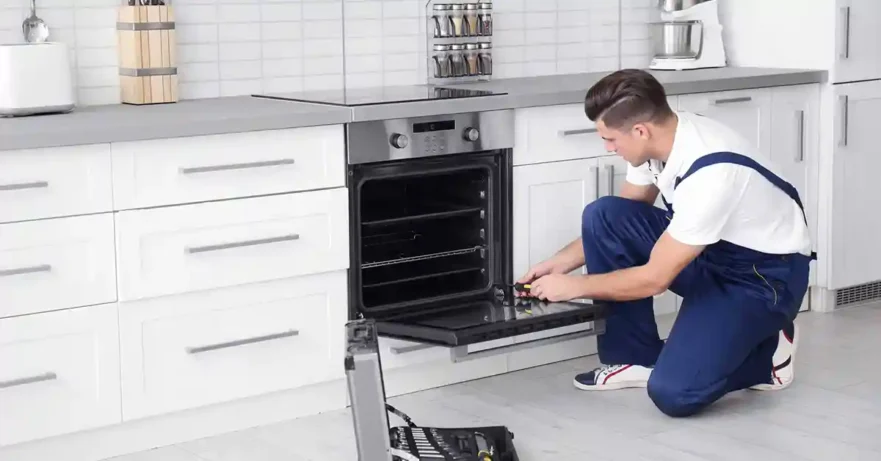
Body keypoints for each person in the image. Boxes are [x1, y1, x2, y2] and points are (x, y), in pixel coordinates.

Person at [517, 69, 814, 417]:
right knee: (606, 214)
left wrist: (572, 287)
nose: (608, 148)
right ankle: (634, 359)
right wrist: (561, 262)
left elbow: (654, 279)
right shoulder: (664, 140)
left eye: (611, 139)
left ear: (641, 130)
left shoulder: (711, 174)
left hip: (761, 279)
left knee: (675, 392)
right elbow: (628, 213)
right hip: (710, 252)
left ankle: (770, 354)